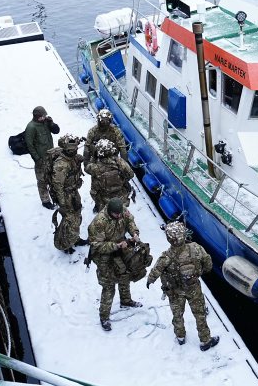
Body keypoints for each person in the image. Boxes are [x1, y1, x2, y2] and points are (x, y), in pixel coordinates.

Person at [146, 221, 219, 351]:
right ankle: (205, 340)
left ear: (169, 238)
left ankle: (180, 336)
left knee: (177, 314)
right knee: (200, 314)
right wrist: (200, 271)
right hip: (193, 288)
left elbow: (156, 271)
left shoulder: (166, 256)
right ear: (184, 235)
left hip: (175, 291)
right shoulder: (196, 248)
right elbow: (208, 264)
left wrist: (149, 281)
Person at [88, 198, 144, 331]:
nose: (119, 216)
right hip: (104, 255)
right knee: (109, 286)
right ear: (109, 211)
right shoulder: (99, 222)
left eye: (120, 214)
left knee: (125, 275)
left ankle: (126, 301)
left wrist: (134, 233)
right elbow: (96, 245)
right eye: (116, 214)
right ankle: (104, 317)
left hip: (121, 248)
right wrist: (116, 245)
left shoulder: (121, 210)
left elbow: (130, 221)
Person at [49, 133, 87, 254]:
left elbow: (81, 158)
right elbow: (58, 186)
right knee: (69, 220)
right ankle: (65, 243)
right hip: (65, 195)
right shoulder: (61, 165)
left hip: (73, 192)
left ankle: (74, 238)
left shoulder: (72, 157)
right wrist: (63, 204)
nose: (75, 151)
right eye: (72, 149)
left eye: (75, 148)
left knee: (77, 215)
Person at [84, 109, 128, 210]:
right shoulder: (93, 131)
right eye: (102, 121)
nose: (104, 123)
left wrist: (124, 164)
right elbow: (87, 147)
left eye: (106, 121)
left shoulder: (115, 131)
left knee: (114, 180)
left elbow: (122, 148)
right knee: (96, 182)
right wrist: (86, 163)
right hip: (97, 160)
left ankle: (114, 202)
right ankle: (98, 203)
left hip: (112, 159)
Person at [84, 138, 135, 214]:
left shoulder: (94, 167)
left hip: (103, 198)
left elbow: (86, 169)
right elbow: (131, 174)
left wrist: (94, 157)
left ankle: (98, 208)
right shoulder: (119, 161)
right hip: (120, 196)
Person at [24, 106, 60, 209]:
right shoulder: (31, 127)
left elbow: (56, 131)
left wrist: (51, 123)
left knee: (53, 178)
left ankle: (55, 197)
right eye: (42, 116)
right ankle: (45, 201)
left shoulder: (45, 123)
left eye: (44, 116)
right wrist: (37, 159)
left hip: (51, 156)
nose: (44, 117)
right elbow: (29, 145)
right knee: (42, 181)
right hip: (41, 158)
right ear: (37, 117)